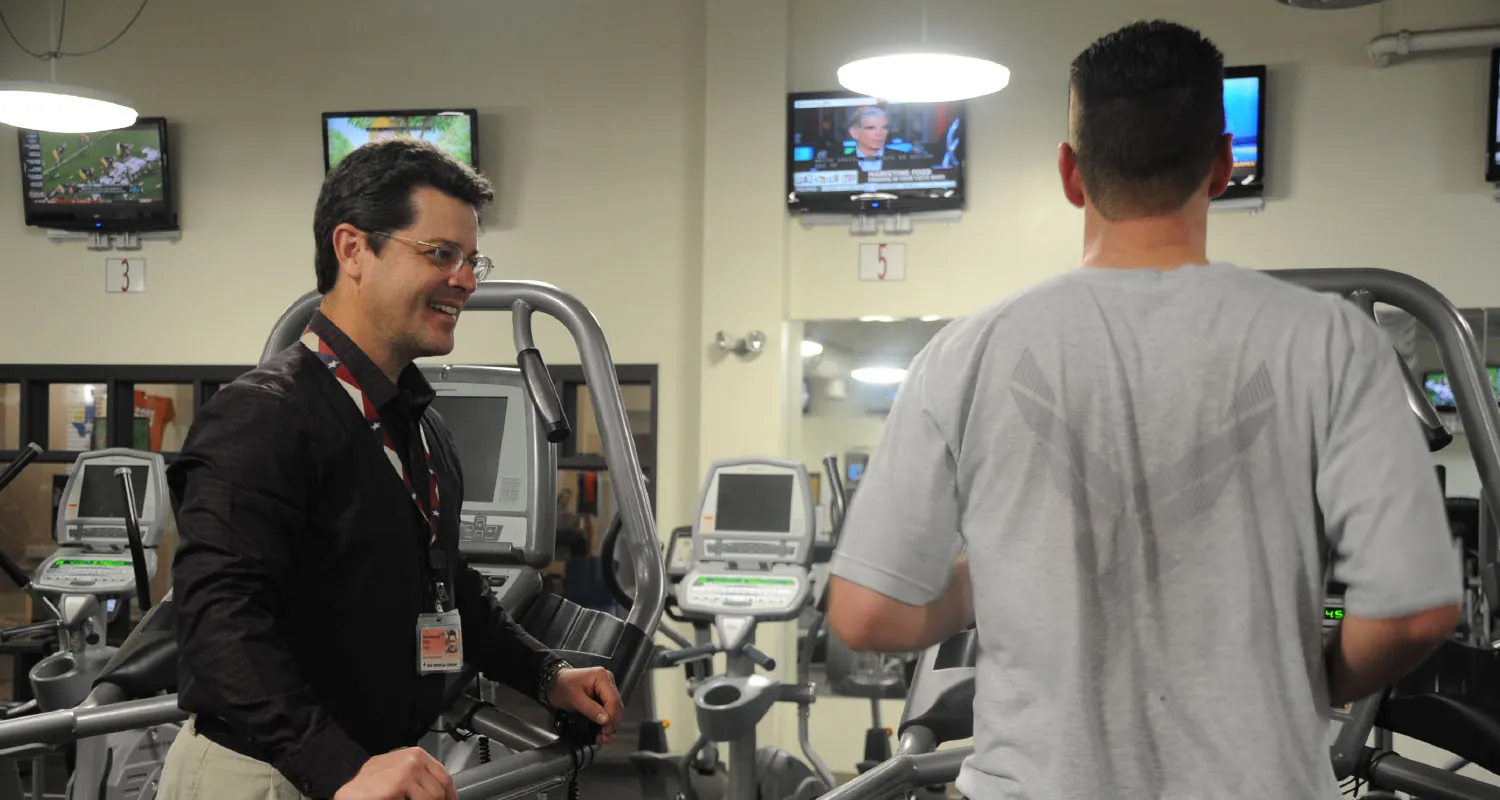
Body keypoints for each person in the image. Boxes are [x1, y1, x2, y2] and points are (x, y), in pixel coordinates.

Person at [825, 19, 1462, 800]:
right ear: (1224, 164)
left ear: (1070, 174)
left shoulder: (968, 352)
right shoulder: (1330, 340)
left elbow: (867, 616)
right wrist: (1316, 683)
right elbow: (1415, 612)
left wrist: (976, 582)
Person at [158, 137, 625, 800]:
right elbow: (219, 620)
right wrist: (337, 766)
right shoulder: (263, 415)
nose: (465, 279)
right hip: (271, 775)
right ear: (352, 249)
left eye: (471, 260)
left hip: (371, 766)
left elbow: (450, 587)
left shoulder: (420, 424)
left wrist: (548, 675)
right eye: (441, 254)